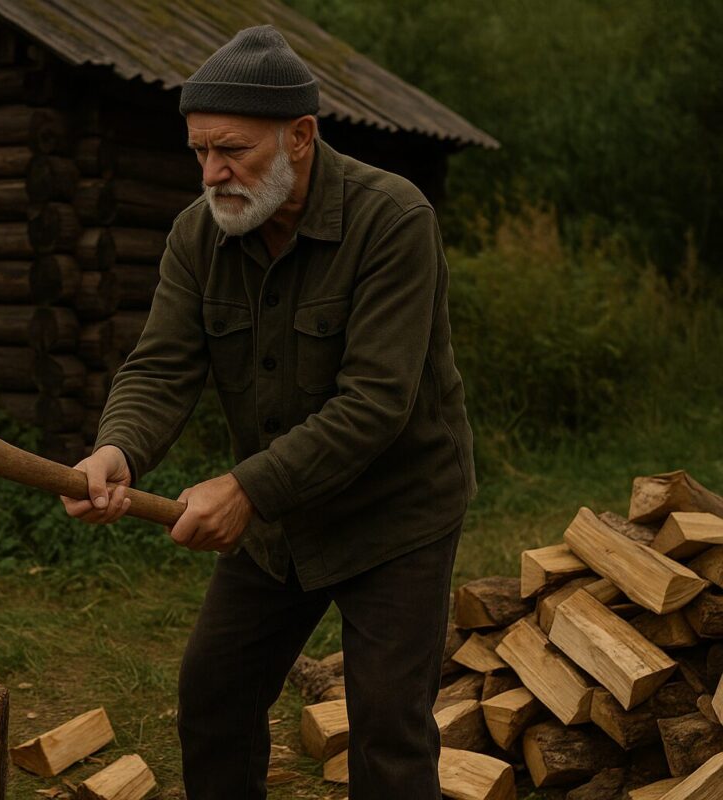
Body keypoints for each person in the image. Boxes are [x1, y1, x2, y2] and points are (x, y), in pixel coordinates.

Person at [60, 23, 477, 800]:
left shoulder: (392, 220)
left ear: (301, 135)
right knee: (214, 699)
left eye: (233, 151)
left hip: (395, 512)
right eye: (199, 152)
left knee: (388, 727)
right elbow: (161, 366)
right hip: (280, 523)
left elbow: (376, 402)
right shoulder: (198, 234)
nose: (213, 173)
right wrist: (117, 447)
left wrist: (246, 489)